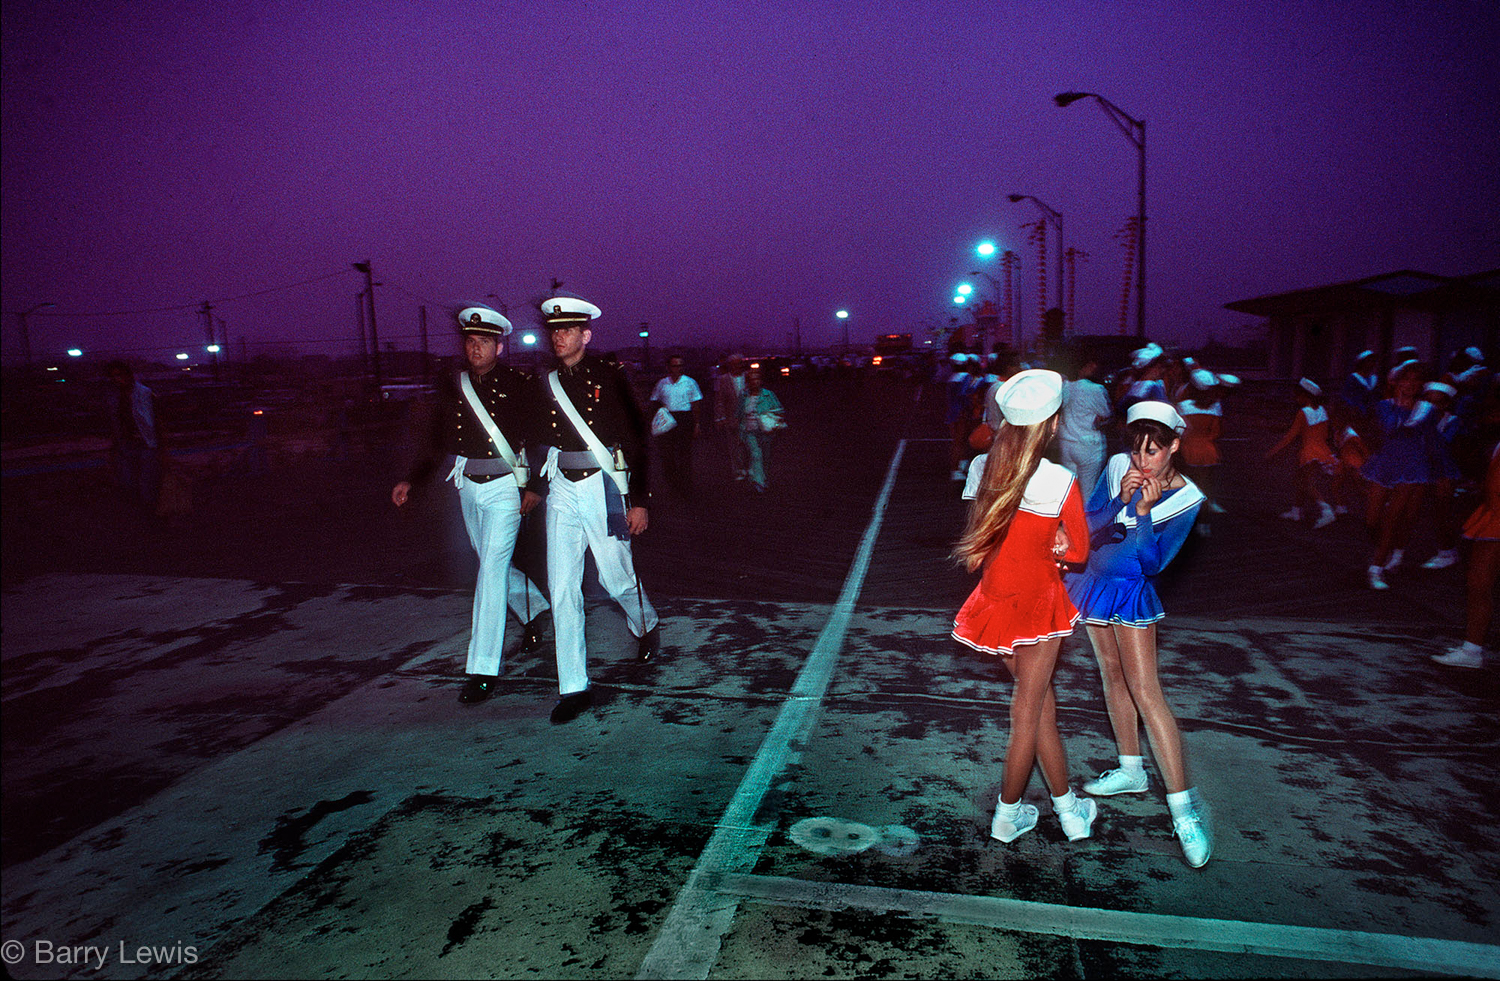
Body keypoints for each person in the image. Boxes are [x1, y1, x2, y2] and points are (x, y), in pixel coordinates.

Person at [951, 369, 1097, 845]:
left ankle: (1070, 810)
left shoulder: (981, 468)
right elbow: (1077, 553)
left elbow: (983, 542)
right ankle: (1006, 816)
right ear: (1052, 425)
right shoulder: (1059, 479)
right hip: (1038, 606)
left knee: (1041, 710)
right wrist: (1054, 542)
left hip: (996, 602)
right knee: (1027, 715)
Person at [1065, 401, 1212, 868]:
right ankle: (1131, 770)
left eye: (1153, 450)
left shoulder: (1189, 498)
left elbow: (1154, 565)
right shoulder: (1115, 468)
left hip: (1132, 593)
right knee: (1111, 673)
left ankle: (1183, 810)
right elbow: (1086, 529)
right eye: (1135, 450)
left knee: (1147, 691)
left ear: (1174, 446)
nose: (1141, 461)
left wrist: (1144, 511)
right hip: (1094, 584)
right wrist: (1117, 502)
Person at [391, 305, 550, 705]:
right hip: (468, 485)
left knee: (491, 572)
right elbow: (436, 438)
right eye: (470, 341)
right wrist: (413, 477)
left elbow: (541, 435)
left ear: (499, 345)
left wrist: (535, 486)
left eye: (484, 342)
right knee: (490, 564)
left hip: (504, 488)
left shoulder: (519, 383)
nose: (475, 348)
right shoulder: (453, 384)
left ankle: (482, 669)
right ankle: (534, 611)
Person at [531, 295, 660, 724]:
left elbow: (638, 439)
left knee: (614, 577)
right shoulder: (545, 379)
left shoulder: (610, 376)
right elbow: (534, 437)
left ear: (585, 335)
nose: (558, 337)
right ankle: (573, 686)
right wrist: (533, 485)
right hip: (561, 487)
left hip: (602, 485)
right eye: (554, 330)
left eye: (567, 330)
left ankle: (645, 623)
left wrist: (639, 500)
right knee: (563, 585)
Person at [1362, 361, 1433, 589]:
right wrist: (1401, 404)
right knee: (1371, 519)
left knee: (1394, 517)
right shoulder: (1384, 406)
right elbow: (1390, 428)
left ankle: (1376, 568)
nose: (1411, 384)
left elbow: (1431, 442)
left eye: (1416, 380)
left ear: (1421, 384)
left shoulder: (1427, 409)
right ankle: (1389, 547)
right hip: (1386, 463)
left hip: (1412, 467)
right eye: (1406, 379)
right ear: (1397, 382)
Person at [1264, 378, 1337, 529]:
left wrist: (1273, 452)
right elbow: (1325, 434)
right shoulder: (1323, 410)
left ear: (1306, 396)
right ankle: (1296, 511)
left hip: (1309, 452)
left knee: (1309, 484)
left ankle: (1326, 511)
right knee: (1300, 480)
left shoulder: (1303, 413)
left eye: (1299, 395)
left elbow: (1290, 436)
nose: (1296, 398)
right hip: (1321, 449)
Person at [104, 360, 162, 510]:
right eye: (114, 376)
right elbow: (114, 421)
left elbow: (157, 419)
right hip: (126, 443)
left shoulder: (144, 393)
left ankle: (149, 510)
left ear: (128, 375)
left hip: (146, 442)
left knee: (146, 480)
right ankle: (144, 509)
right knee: (129, 479)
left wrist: (160, 444)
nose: (117, 379)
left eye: (120, 375)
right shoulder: (114, 396)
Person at [1058, 354, 1112, 504]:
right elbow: (1106, 413)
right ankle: (1086, 526)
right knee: (1088, 493)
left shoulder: (1065, 387)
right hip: (1088, 445)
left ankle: (1067, 524)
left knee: (1069, 490)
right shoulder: (1095, 389)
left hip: (1066, 443)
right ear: (1086, 366)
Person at [649, 355, 704, 499]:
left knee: (684, 453)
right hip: (668, 419)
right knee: (667, 453)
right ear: (669, 367)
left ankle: (686, 484)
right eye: (674, 366)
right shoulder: (662, 383)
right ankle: (672, 483)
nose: (677, 369)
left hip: (684, 418)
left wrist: (697, 423)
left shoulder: (690, 383)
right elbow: (654, 401)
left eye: (680, 366)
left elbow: (696, 404)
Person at [1177, 368, 1224, 532]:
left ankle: (1186, 524)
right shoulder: (1216, 407)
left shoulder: (1182, 406)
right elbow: (1215, 433)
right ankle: (1204, 526)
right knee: (1205, 489)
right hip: (1209, 453)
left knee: (1188, 489)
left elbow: (1180, 431)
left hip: (1188, 452)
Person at [738, 365, 784, 493]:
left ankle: (761, 477)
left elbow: (780, 410)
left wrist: (769, 416)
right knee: (756, 454)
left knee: (765, 457)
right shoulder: (744, 397)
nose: (755, 382)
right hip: (749, 431)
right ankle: (759, 482)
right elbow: (739, 414)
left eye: (757, 379)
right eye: (752, 380)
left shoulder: (768, 395)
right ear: (748, 382)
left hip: (765, 432)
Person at [713, 353, 749, 481]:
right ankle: (738, 470)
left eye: (739, 363)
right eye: (734, 364)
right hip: (731, 418)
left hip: (748, 417)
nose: (737, 366)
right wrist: (720, 418)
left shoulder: (748, 377)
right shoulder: (723, 379)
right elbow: (719, 400)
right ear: (730, 365)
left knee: (749, 444)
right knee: (734, 446)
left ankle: (748, 468)